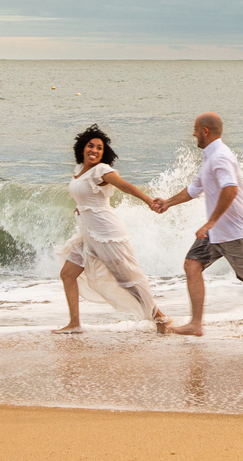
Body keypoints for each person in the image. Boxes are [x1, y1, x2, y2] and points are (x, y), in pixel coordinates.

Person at [153, 113, 243, 342]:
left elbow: (230, 189)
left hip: (235, 231)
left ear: (205, 131)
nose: (193, 133)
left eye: (196, 129)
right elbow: (193, 189)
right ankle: (196, 324)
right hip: (218, 232)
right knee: (192, 264)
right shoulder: (210, 157)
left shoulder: (220, 157)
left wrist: (210, 222)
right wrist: (168, 202)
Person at [53, 124, 171, 335]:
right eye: (91, 146)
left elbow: (125, 186)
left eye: (99, 148)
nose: (94, 151)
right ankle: (74, 324)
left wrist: (147, 200)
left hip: (107, 232)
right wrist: (80, 209)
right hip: (88, 233)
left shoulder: (101, 170)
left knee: (127, 279)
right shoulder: (80, 171)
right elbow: (85, 196)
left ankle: (160, 318)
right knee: (67, 274)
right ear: (82, 148)